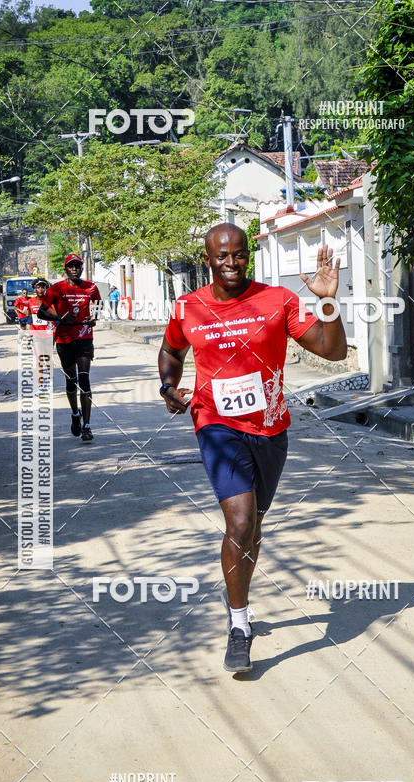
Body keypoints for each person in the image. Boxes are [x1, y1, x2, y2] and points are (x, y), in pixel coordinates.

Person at [158, 224, 346, 673]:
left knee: (252, 525)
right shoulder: (188, 307)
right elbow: (171, 351)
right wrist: (168, 385)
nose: (232, 262)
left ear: (249, 256)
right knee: (239, 520)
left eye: (239, 255)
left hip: (271, 430)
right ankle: (239, 626)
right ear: (208, 260)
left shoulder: (277, 300)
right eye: (222, 256)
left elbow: (333, 351)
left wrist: (327, 299)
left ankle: (236, 591)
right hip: (216, 425)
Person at [37, 253, 100, 441]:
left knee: (84, 379)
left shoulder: (91, 287)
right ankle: (75, 414)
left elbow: (97, 306)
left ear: (81, 268)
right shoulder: (57, 289)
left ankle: (87, 427)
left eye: (77, 266)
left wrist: (94, 317)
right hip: (64, 339)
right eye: (70, 266)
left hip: (84, 337)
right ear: (66, 269)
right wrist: (59, 318)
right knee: (71, 381)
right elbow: (41, 312)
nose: (74, 269)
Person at [28, 277, 54, 390]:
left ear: (46, 288)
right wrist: (29, 333)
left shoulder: (50, 301)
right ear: (34, 288)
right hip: (36, 334)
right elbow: (29, 318)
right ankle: (40, 384)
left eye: (43, 287)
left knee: (47, 358)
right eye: (38, 287)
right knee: (39, 358)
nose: (40, 289)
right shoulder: (30, 301)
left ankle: (48, 380)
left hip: (48, 333)